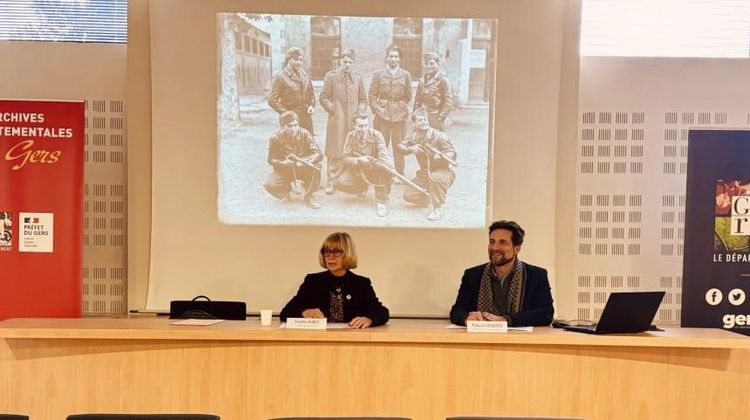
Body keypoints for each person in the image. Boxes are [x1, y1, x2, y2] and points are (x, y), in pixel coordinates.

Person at [450, 220, 554, 327]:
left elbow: (546, 314)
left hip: (521, 340)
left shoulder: (536, 275)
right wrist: (466, 318)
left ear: (516, 248)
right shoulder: (472, 275)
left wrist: (505, 320)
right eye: (492, 241)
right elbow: (457, 311)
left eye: (502, 242)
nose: (494, 247)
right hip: (481, 338)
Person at [280, 232, 390, 328]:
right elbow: (285, 312)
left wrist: (369, 319)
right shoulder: (313, 281)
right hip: (319, 339)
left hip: (350, 339)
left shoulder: (361, 284)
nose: (330, 256)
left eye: (337, 252)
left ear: (347, 254)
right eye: (327, 251)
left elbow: (382, 312)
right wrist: (304, 312)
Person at [318, 49, 368, 194]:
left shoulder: (358, 78)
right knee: (335, 150)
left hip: (354, 122)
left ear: (353, 63)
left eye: (350, 62)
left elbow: (363, 99)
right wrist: (332, 108)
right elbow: (323, 97)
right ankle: (332, 182)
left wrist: (360, 111)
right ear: (340, 61)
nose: (347, 65)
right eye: (345, 62)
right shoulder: (331, 77)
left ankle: (351, 180)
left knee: (353, 150)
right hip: (337, 120)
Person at [397, 106, 457, 221]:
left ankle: (437, 209)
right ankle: (430, 197)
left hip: (443, 171)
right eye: (420, 120)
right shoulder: (413, 137)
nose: (424, 122)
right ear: (414, 124)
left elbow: (451, 152)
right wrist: (411, 148)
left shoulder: (439, 136)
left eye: (425, 120)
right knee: (409, 196)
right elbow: (400, 146)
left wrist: (442, 156)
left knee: (436, 179)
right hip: (425, 173)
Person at [263, 111, 323, 209]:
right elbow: (271, 159)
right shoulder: (275, 138)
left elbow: (318, 153)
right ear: (283, 126)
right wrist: (284, 163)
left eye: (295, 125)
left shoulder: (305, 133)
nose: (293, 129)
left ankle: (309, 195)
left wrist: (305, 161)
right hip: (285, 169)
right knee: (269, 184)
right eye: (289, 126)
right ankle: (285, 193)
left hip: (303, 167)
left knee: (316, 167)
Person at [368, 44, 412, 178]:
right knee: (380, 144)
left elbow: (408, 95)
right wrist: (376, 108)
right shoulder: (378, 74)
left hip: (399, 115)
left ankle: (399, 173)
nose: (393, 59)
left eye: (396, 57)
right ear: (386, 59)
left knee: (399, 145)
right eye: (390, 56)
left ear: (400, 60)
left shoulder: (405, 75)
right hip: (382, 114)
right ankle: (378, 171)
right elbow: (372, 94)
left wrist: (401, 106)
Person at [337, 112, 393, 217]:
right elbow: (345, 157)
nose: (364, 129)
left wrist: (388, 170)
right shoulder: (350, 136)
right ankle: (362, 187)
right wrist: (358, 160)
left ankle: (381, 202)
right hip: (359, 168)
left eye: (366, 125)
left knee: (382, 173)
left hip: (376, 168)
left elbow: (383, 155)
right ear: (353, 125)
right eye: (360, 126)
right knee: (341, 183)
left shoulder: (377, 135)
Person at [268, 47, 316, 135]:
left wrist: (311, 106)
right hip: (290, 121)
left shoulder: (305, 75)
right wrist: (287, 113)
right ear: (289, 60)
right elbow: (272, 100)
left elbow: (311, 94)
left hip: (306, 117)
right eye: (296, 59)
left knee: (308, 144)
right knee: (291, 146)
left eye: (301, 60)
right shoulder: (280, 77)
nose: (299, 63)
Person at [413, 52, 454, 131]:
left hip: (436, 118)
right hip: (423, 118)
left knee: (436, 141)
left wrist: (440, 118)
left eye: (431, 63)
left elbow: (448, 102)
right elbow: (417, 101)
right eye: (426, 64)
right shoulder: (422, 80)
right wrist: (415, 116)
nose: (429, 66)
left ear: (438, 64)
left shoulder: (443, 80)